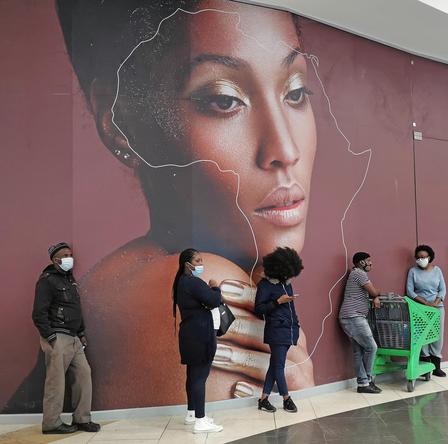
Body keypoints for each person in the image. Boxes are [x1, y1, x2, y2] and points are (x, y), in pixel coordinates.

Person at [49, 0, 317, 407]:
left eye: (295, 92)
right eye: (224, 100)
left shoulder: (124, 279)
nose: (285, 150)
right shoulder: (202, 283)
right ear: (119, 119)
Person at [32, 243, 100, 434]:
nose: (70, 258)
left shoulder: (70, 280)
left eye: (70, 254)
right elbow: (38, 313)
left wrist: (81, 333)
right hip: (57, 336)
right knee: (56, 381)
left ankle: (82, 419)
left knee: (84, 375)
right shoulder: (47, 281)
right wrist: (50, 336)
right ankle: (51, 424)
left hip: (74, 337)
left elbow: (75, 309)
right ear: (56, 260)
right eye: (65, 255)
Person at [173, 248, 223, 433]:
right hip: (201, 336)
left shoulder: (181, 282)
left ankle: (192, 413)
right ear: (188, 264)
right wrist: (215, 287)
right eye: (198, 261)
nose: (201, 264)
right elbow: (214, 300)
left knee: (193, 376)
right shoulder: (192, 282)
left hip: (190, 335)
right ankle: (201, 421)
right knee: (199, 378)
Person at [255, 247, 304, 413]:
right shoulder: (265, 285)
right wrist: (277, 302)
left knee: (275, 365)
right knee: (279, 366)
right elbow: (259, 309)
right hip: (276, 330)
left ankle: (263, 399)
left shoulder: (286, 285)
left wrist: (295, 325)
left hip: (289, 330)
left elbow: (291, 309)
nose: (290, 276)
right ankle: (286, 398)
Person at [338, 252, 383, 394]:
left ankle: (363, 384)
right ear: (361, 262)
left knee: (359, 351)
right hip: (353, 317)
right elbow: (373, 291)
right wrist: (377, 294)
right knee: (372, 347)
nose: (370, 263)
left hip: (350, 317)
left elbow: (371, 293)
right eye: (368, 260)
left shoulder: (356, 274)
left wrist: (375, 296)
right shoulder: (359, 273)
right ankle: (368, 380)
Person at [406, 245, 447, 377]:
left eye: (423, 257)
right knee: (421, 336)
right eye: (418, 257)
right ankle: (424, 366)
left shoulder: (437, 270)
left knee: (437, 335)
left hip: (437, 308)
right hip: (420, 308)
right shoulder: (413, 271)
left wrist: (436, 302)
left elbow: (442, 289)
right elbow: (410, 292)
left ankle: (436, 367)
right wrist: (425, 303)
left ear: (429, 257)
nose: (420, 259)